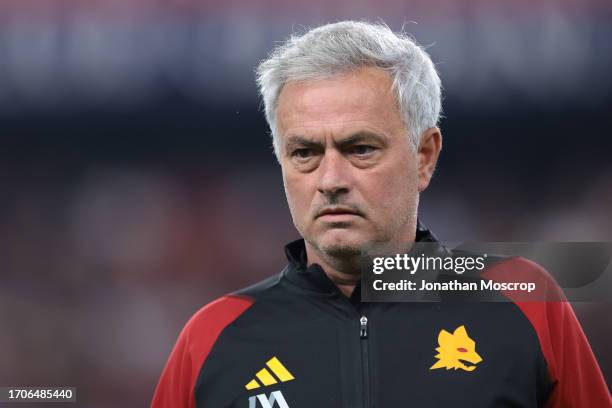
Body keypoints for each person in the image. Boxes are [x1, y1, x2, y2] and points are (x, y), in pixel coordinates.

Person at [152, 21, 611, 407]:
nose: (330, 178)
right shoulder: (211, 338)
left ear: (424, 157)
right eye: (305, 152)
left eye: (361, 149)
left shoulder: (522, 299)